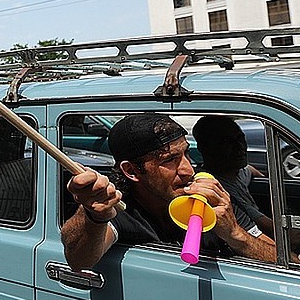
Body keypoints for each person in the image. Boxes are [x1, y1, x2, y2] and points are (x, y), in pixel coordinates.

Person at [62, 113, 276, 270]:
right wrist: (93, 215)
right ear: (132, 170)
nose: (188, 170)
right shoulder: (120, 207)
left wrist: (236, 234)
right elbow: (78, 260)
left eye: (186, 154)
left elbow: (287, 262)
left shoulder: (209, 199)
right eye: (170, 160)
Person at [193, 115, 300, 252]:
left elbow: (250, 170)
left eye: (240, 138)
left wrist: (265, 179)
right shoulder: (219, 193)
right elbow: (293, 236)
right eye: (227, 142)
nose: (239, 146)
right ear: (205, 148)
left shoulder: (237, 172)